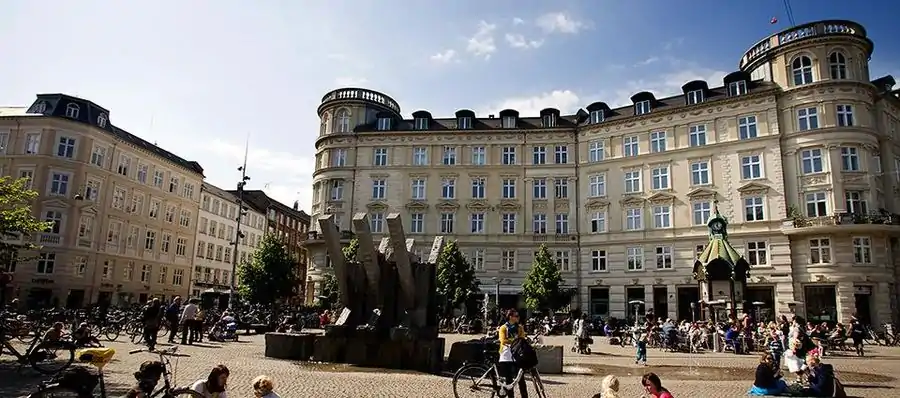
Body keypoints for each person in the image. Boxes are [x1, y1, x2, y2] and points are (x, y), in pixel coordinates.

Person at [497, 309, 528, 398]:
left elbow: (522, 339)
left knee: (521, 379)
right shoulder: (503, 328)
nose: (518, 318)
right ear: (510, 317)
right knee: (508, 379)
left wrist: (513, 341)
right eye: (516, 316)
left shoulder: (520, 327)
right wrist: (516, 341)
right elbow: (503, 341)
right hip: (506, 355)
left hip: (517, 355)